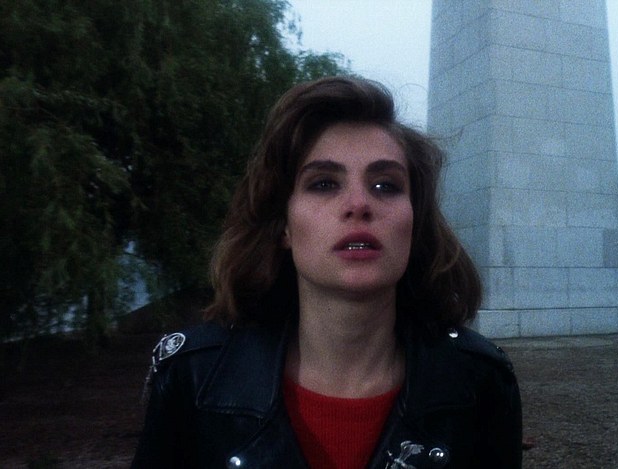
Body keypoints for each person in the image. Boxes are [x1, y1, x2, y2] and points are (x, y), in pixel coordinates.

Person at [131, 76, 522, 468]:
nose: (359, 204)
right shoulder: (191, 376)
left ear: (414, 221)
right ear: (283, 225)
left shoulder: (480, 381)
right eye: (323, 184)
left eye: (385, 185)